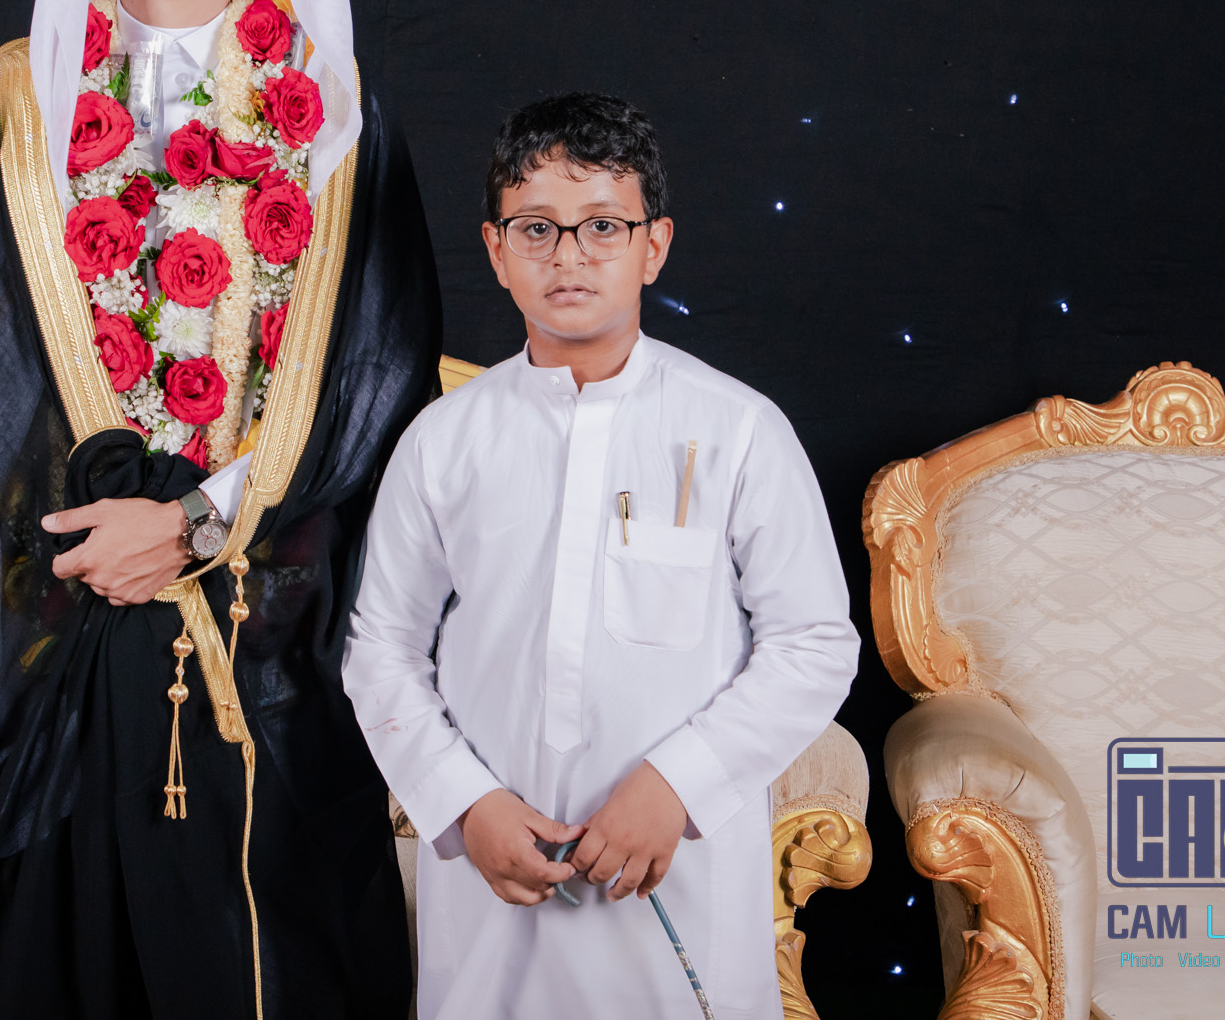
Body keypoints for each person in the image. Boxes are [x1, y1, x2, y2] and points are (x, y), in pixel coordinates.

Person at [0, 0, 437, 1020]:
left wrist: (193, 524)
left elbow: (380, 384)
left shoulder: (336, 113)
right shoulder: (16, 97)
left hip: (263, 626)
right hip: (49, 614)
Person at [342, 93, 859, 1019]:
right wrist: (464, 801)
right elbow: (380, 646)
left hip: (678, 864)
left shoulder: (738, 429)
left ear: (654, 245)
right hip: (496, 868)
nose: (569, 256)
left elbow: (815, 642)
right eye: (537, 228)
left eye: (603, 226)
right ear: (496, 249)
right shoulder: (444, 441)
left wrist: (678, 784)